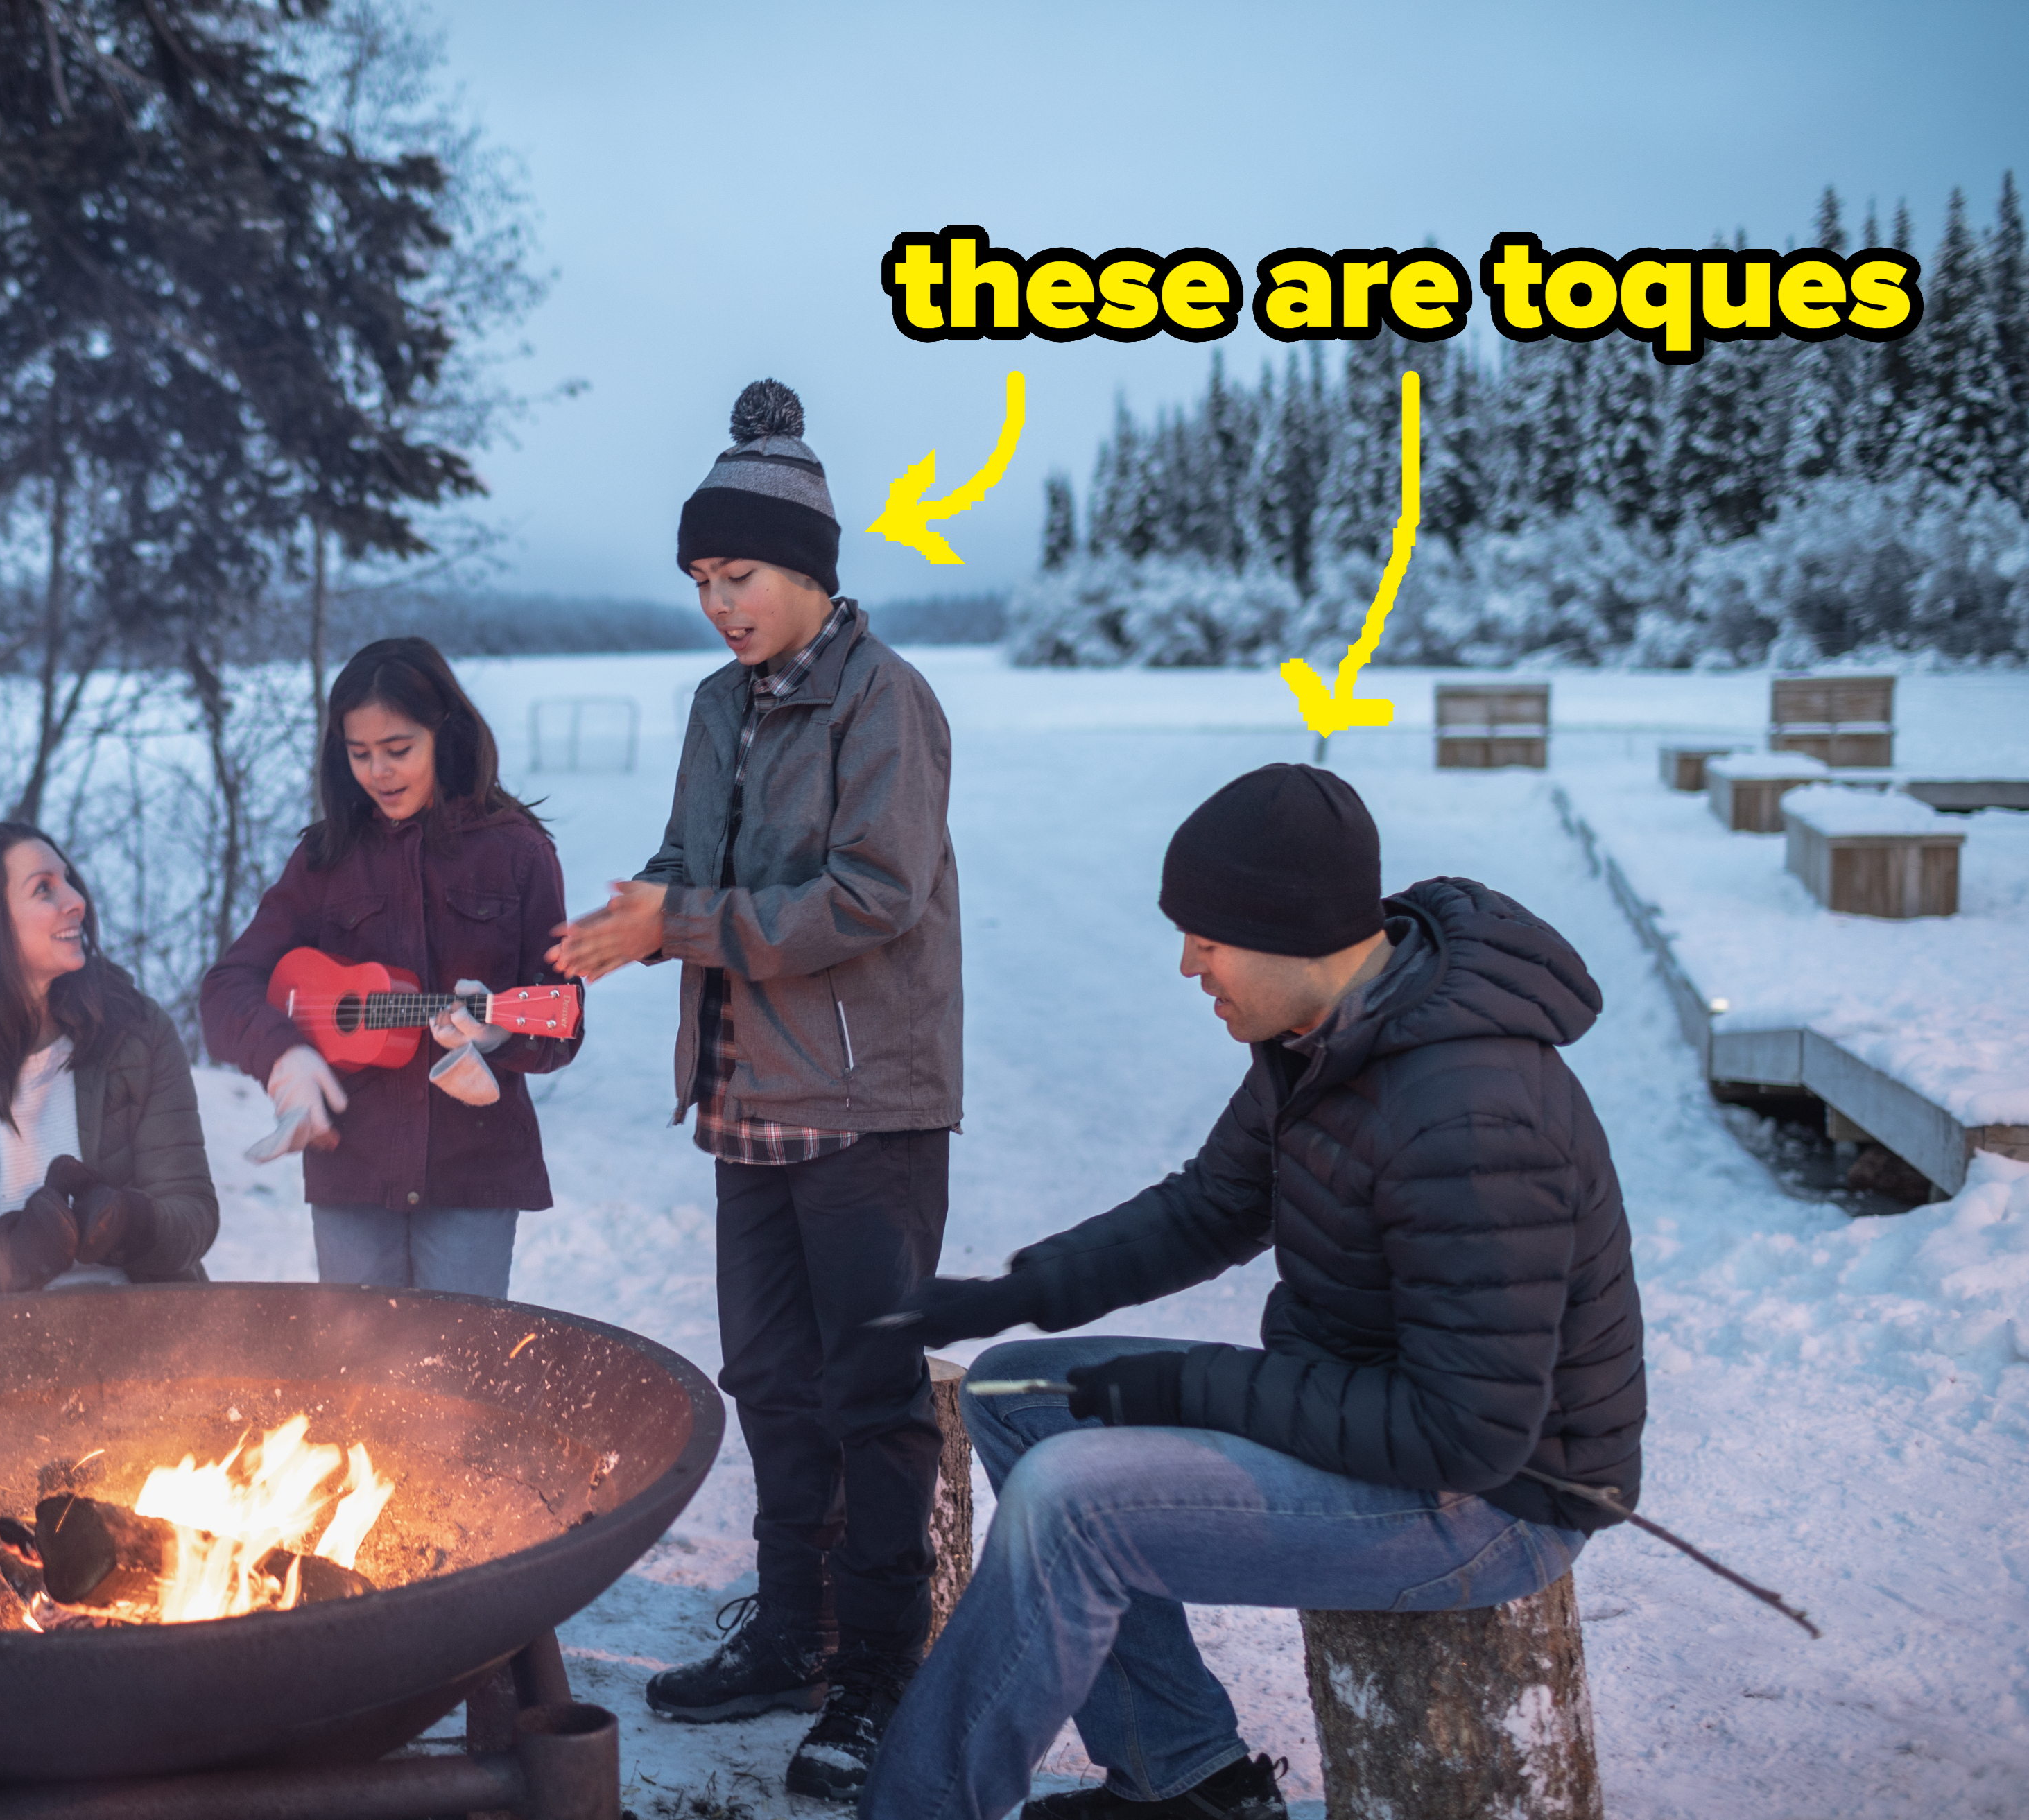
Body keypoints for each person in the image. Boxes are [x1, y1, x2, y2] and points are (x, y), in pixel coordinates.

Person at [858, 764, 1647, 1820]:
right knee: (1013, 1396)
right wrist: (1006, 1298)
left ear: (1295, 932)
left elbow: (1464, 1437)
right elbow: (1209, 1207)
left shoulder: (1468, 1114)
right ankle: (1184, 1774)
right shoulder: (1324, 1036)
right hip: (1370, 1413)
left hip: (1491, 1503)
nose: (1188, 965)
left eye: (1210, 938)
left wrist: (1186, 1384)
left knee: (1074, 1504)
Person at [549, 379, 962, 1803]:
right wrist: (623, 922)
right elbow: (686, 856)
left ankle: (876, 1668)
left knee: (874, 1394)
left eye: (739, 575)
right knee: (774, 1384)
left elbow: (874, 894)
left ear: (810, 572)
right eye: (700, 581)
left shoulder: (886, 702)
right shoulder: (719, 708)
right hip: (741, 1096)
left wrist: (686, 921)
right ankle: (790, 1635)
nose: (717, 605)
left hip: (865, 1107)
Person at [198, 636, 578, 1297]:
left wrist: (500, 1033)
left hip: (473, 1172)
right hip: (353, 1171)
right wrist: (284, 1058)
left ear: (445, 734)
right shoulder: (323, 860)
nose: (378, 773)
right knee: (360, 1379)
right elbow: (226, 989)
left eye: (398, 749)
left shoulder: (517, 853)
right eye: (359, 754)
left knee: (458, 1382)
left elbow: (563, 1024)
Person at [0, 822, 219, 1305]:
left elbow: (193, 1212)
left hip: (151, 1336)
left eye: (68, 879)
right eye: (44, 889)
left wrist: (128, 1223)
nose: (76, 900)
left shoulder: (137, 1031)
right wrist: (14, 1255)